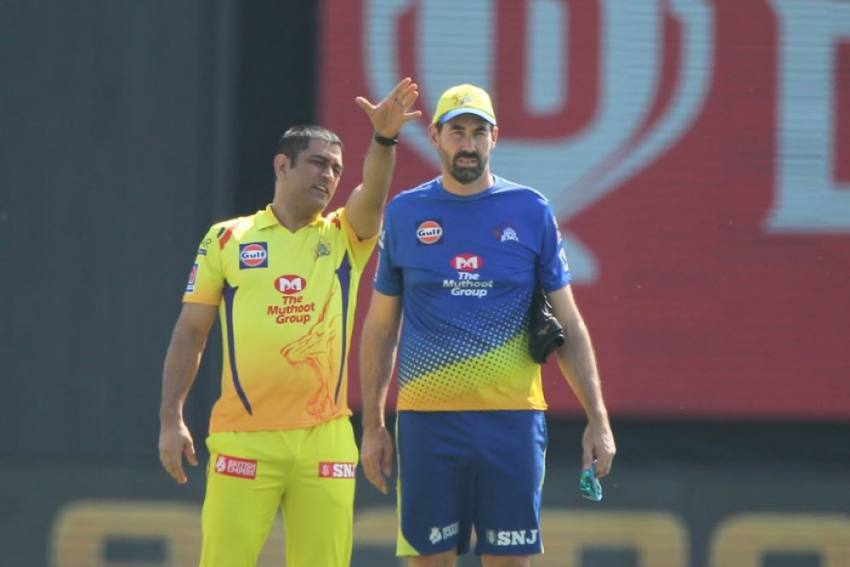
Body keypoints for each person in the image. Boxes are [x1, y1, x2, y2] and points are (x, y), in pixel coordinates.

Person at [158, 78, 421, 566]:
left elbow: (373, 192)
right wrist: (171, 419)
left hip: (324, 437)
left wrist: (384, 139)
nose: (330, 175)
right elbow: (191, 332)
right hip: (243, 437)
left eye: (337, 168)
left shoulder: (344, 234)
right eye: (319, 163)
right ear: (282, 165)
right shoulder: (227, 238)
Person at [359, 84, 616, 567]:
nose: (469, 144)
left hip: (512, 421)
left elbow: (569, 323)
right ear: (434, 136)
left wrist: (597, 420)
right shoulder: (406, 213)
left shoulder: (531, 210)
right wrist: (373, 427)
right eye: (457, 131)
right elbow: (379, 330)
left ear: (494, 138)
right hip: (428, 422)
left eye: (479, 132)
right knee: (430, 561)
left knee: (509, 562)